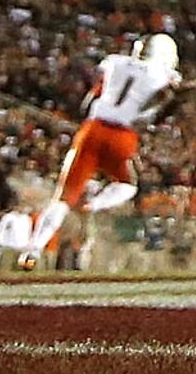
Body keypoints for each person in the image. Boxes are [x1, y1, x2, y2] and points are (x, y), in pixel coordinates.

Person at [31, 31, 179, 268]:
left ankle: (32, 251)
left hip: (91, 129)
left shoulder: (114, 61)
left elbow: (89, 101)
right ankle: (93, 205)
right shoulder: (163, 73)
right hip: (122, 135)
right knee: (128, 185)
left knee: (63, 196)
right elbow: (163, 104)